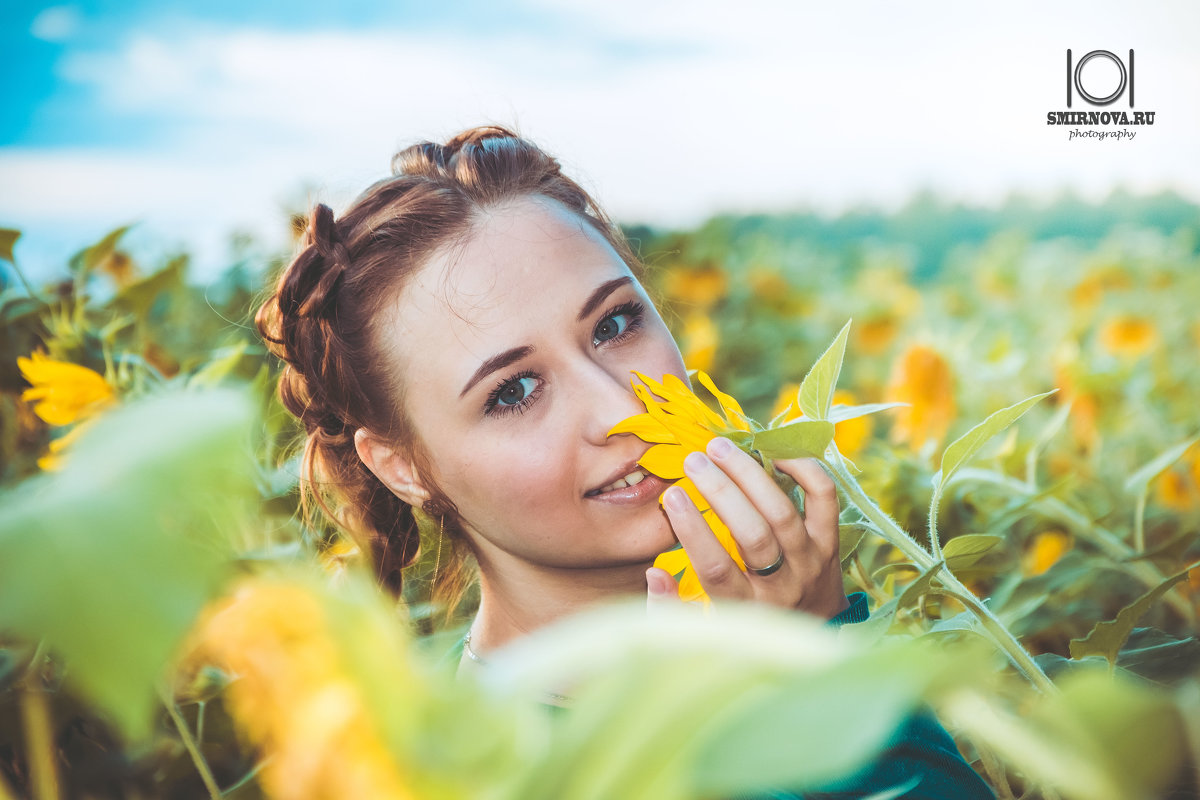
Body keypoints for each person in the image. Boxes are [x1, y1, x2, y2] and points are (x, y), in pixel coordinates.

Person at [255, 125, 994, 798]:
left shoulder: (775, 605)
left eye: (614, 324)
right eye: (513, 392)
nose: (620, 410)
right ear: (401, 466)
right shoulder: (467, 772)